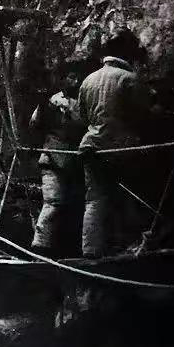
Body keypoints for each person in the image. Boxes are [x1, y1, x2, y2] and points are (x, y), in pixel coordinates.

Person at [77, 31, 146, 257]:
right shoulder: (129, 78)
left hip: (90, 145)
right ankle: (125, 246)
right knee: (128, 195)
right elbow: (143, 114)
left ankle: (91, 250)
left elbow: (83, 116)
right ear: (127, 52)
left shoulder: (88, 80)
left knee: (95, 199)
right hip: (120, 147)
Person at [29, 74, 84, 256]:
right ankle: (40, 248)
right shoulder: (51, 102)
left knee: (71, 205)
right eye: (70, 77)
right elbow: (34, 124)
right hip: (54, 159)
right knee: (53, 202)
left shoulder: (79, 102)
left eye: (75, 78)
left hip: (71, 160)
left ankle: (64, 250)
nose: (74, 81)